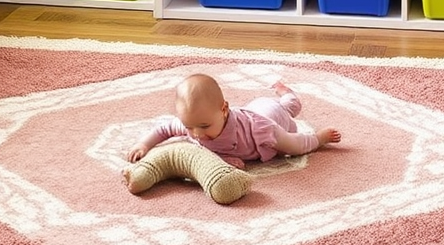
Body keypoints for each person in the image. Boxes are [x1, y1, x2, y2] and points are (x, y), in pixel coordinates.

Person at [123, 71, 342, 177]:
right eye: (189, 127)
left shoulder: (261, 130)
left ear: (224, 110)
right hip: (251, 107)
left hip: (270, 113)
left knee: (289, 107)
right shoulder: (194, 123)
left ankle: (286, 93)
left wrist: (319, 138)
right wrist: (144, 144)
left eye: (204, 126)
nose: (196, 135)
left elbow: (293, 144)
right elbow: (164, 129)